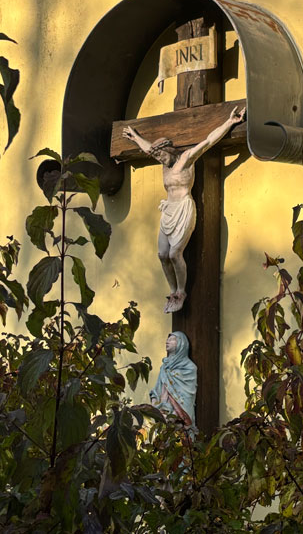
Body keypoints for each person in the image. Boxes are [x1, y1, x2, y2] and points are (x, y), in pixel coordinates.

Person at [123, 105, 246, 313]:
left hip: (183, 208)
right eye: (158, 157)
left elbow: (208, 141)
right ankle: (172, 290)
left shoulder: (186, 158)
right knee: (162, 254)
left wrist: (229, 122)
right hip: (168, 209)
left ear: (169, 151)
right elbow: (148, 149)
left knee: (174, 253)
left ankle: (181, 290)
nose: (160, 159)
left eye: (162, 156)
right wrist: (135, 137)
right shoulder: (165, 164)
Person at [149, 331, 197, 430]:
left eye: (171, 340)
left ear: (181, 343)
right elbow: (157, 389)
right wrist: (155, 403)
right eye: (167, 339)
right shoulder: (164, 367)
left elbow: (187, 395)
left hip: (179, 415)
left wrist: (175, 413)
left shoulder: (189, 367)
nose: (167, 342)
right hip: (163, 412)